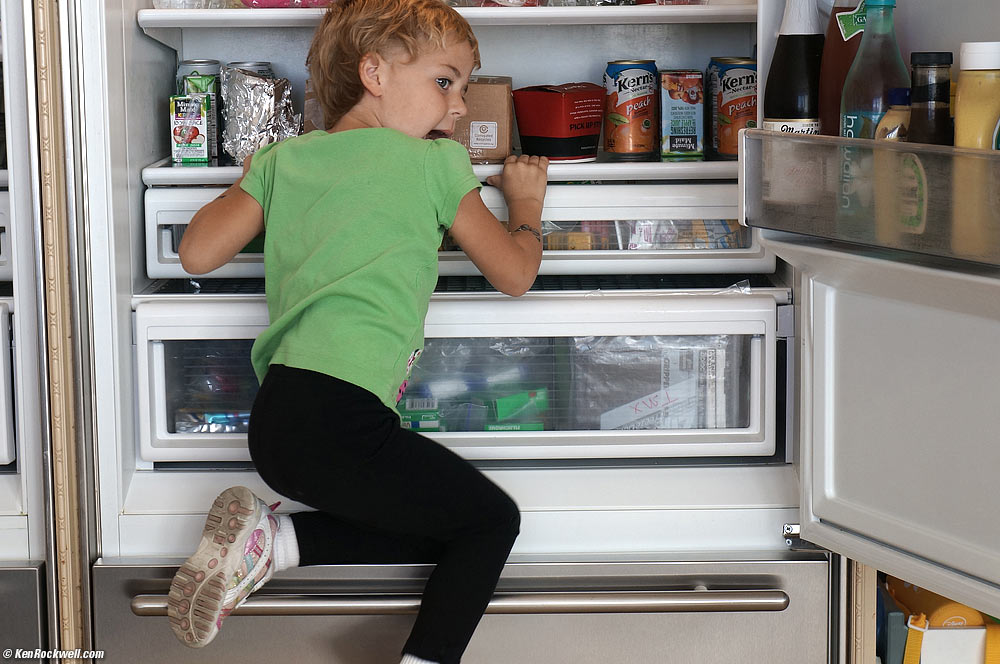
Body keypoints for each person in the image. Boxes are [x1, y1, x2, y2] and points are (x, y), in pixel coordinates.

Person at [166, 0, 549, 662]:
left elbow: (196, 253)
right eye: (445, 80)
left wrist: (256, 176)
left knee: (451, 527)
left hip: (283, 423)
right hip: (339, 420)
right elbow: (514, 273)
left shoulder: (285, 162)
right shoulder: (435, 165)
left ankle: (277, 543)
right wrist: (527, 205)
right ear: (375, 72)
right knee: (491, 522)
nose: (457, 107)